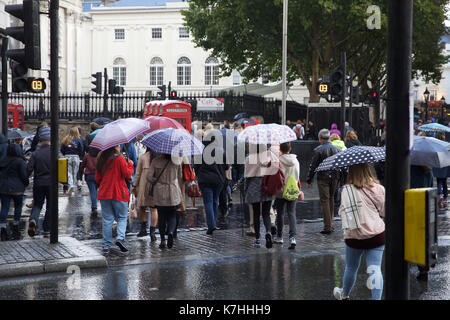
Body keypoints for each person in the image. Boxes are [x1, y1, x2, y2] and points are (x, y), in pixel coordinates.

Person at [333, 163, 385, 300]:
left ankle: (344, 294)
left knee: (351, 267)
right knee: (375, 269)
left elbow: (341, 213)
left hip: (354, 237)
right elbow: (385, 211)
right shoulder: (379, 188)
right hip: (376, 235)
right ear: (368, 170)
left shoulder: (346, 190)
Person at [95, 145, 134, 254]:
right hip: (119, 192)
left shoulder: (101, 159)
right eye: (118, 144)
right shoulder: (119, 158)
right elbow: (127, 174)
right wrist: (130, 165)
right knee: (122, 217)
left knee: (107, 220)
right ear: (116, 146)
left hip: (105, 192)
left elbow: (97, 178)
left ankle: (106, 245)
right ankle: (120, 238)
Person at [307, 129, 341, 234]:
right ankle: (330, 224)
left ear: (320, 138)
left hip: (323, 178)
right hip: (335, 177)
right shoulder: (337, 149)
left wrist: (309, 179)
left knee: (325, 200)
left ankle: (328, 227)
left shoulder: (318, 150)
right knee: (331, 199)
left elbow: (313, 166)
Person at [244, 144, 279, 248]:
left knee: (255, 213)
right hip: (267, 187)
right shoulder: (271, 155)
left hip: (253, 187)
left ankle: (257, 239)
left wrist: (245, 190)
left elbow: (246, 177)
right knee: (266, 213)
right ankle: (268, 232)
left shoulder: (250, 158)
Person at [147, 153, 182, 249]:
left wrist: (156, 181)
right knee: (172, 215)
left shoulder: (155, 161)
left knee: (161, 216)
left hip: (160, 191)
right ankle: (170, 232)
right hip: (173, 191)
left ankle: (162, 240)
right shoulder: (177, 160)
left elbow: (149, 177)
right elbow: (180, 175)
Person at [194, 137, 227, 235]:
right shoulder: (221, 152)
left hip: (205, 180)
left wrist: (198, 176)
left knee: (208, 202)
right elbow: (226, 167)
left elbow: (196, 167)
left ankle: (211, 225)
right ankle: (213, 223)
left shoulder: (200, 152)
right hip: (218, 180)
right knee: (215, 201)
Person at [0, 144, 29, 241]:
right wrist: (26, 183)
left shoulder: (3, 160)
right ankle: (16, 223)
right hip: (17, 188)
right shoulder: (20, 161)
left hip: (4, 188)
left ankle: (2, 225)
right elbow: (24, 175)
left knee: (4, 207)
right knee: (18, 206)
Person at [273, 142, 300, 249]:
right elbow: (297, 176)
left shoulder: (278, 161)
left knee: (280, 214)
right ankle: (292, 237)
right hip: (292, 189)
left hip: (280, 191)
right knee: (291, 213)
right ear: (290, 149)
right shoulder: (296, 161)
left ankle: (279, 236)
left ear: (280, 149)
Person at [27, 126, 52, 238]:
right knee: (50, 207)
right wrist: (65, 184)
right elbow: (62, 168)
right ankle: (47, 230)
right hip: (52, 184)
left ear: (40, 140)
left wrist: (24, 180)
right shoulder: (55, 152)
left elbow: (29, 169)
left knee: (37, 204)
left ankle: (33, 220)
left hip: (38, 183)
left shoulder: (35, 153)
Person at [410, 164, 434, 281]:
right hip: (425, 206)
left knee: (412, 237)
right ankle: (424, 267)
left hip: (412, 206)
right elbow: (431, 187)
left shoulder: (410, 169)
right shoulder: (428, 169)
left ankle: (420, 265)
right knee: (423, 238)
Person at [132, 147, 158, 241]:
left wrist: (134, 185)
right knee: (154, 209)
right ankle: (152, 232)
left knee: (142, 207)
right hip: (154, 185)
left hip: (143, 185)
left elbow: (138, 173)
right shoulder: (159, 158)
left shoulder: (142, 157)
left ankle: (143, 229)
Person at [61, 127, 84, 195]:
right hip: (76, 157)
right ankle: (73, 186)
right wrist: (79, 155)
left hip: (67, 156)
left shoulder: (66, 139)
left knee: (69, 172)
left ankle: (70, 184)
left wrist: (65, 154)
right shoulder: (79, 139)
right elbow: (81, 149)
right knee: (75, 172)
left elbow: (62, 149)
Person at [79, 146, 100, 217]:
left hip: (89, 175)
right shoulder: (100, 156)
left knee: (92, 191)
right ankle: (94, 204)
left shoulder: (87, 156)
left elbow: (82, 166)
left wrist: (80, 174)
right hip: (98, 175)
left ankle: (94, 207)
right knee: (95, 190)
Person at [432, 132, 449, 210]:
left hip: (438, 165)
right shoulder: (446, 145)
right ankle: (445, 198)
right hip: (445, 165)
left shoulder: (435, 144)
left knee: (439, 181)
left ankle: (440, 196)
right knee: (444, 182)